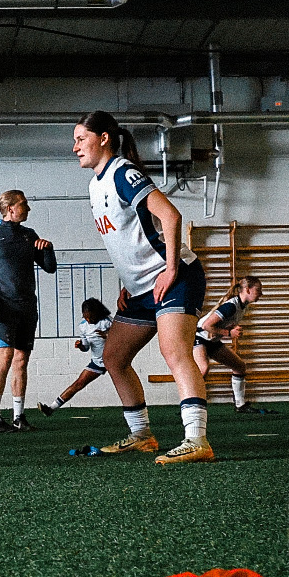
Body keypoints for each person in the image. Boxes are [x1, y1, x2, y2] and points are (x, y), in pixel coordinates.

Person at [73, 111, 212, 464]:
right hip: (140, 290)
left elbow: (171, 216)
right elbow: (127, 239)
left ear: (103, 138)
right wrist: (126, 284)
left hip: (176, 277)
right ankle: (142, 435)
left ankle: (197, 440)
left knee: (174, 351)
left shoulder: (123, 173)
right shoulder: (94, 185)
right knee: (113, 357)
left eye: (80, 139)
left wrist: (170, 269)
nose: (74, 147)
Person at [0, 190, 57, 432]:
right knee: (5, 357)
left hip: (27, 307)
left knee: (22, 360)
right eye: (24, 204)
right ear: (10, 209)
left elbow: (49, 268)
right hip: (3, 308)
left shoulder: (29, 236)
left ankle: (19, 416)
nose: (28, 208)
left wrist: (48, 248)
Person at [193, 275, 265, 414]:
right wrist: (229, 333)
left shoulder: (242, 306)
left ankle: (240, 405)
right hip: (199, 337)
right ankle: (191, 404)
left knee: (239, 367)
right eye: (258, 290)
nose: (261, 294)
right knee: (203, 369)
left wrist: (229, 329)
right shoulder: (231, 306)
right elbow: (207, 326)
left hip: (211, 340)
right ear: (248, 290)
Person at [39, 297, 113, 414]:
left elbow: (122, 338)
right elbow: (86, 347)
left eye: (90, 316)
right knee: (79, 383)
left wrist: (107, 335)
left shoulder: (107, 321)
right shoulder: (83, 326)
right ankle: (51, 408)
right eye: (85, 317)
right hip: (98, 361)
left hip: (114, 359)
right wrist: (80, 346)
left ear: (96, 313)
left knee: (122, 384)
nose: (88, 320)